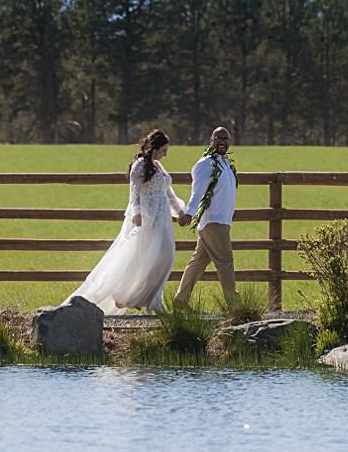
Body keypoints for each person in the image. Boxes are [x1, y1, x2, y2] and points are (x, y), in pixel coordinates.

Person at [69, 129, 187, 313]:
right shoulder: (140, 165)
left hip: (162, 217)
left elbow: (168, 191)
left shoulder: (158, 167)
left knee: (166, 256)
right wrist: (137, 213)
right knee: (141, 258)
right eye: (164, 149)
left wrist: (180, 211)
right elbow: (134, 191)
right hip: (148, 216)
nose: (166, 153)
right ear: (155, 147)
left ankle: (153, 299)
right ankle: (127, 296)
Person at [174, 125, 238, 307]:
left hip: (221, 221)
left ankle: (181, 300)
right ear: (211, 141)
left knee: (199, 261)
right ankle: (234, 306)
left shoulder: (224, 163)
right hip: (213, 221)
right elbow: (198, 192)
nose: (222, 142)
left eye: (225, 138)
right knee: (225, 261)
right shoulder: (206, 164)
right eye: (218, 138)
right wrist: (189, 213)